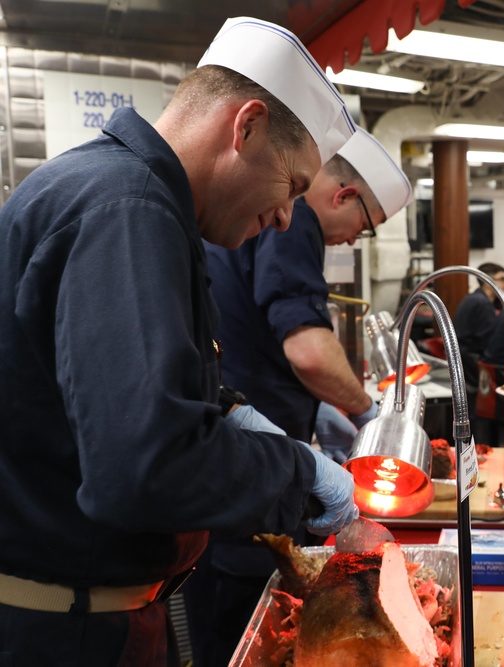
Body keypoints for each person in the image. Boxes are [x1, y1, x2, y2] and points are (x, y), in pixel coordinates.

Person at [0, 17, 360, 666]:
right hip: (62, 635)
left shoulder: (136, 200)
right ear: (245, 126)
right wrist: (298, 473)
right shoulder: (126, 208)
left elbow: (125, 394)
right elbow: (143, 466)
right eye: (293, 188)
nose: (284, 217)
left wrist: (231, 413)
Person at [190, 128, 412, 666]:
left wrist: (319, 410)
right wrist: (366, 411)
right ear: (343, 195)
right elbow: (309, 350)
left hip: (243, 458)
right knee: (246, 634)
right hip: (243, 483)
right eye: (366, 226)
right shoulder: (295, 223)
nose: (355, 241)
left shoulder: (278, 222)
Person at [454, 261, 504, 444]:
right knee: (478, 408)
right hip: (472, 360)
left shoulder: (472, 298)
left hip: (463, 357)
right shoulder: (482, 303)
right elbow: (488, 340)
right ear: (487, 282)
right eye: (501, 279)